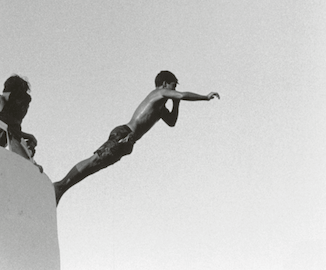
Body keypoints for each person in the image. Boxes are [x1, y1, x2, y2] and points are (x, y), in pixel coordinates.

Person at [53, 71, 219, 205]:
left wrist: (176, 103)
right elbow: (182, 95)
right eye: (173, 85)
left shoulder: (161, 108)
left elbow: (172, 122)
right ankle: (60, 185)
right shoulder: (158, 93)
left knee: (95, 167)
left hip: (128, 142)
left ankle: (62, 189)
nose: (175, 89)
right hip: (124, 133)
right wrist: (205, 97)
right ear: (164, 84)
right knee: (95, 160)